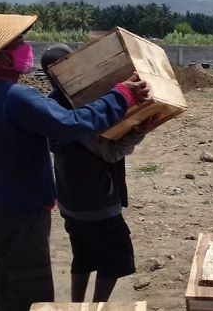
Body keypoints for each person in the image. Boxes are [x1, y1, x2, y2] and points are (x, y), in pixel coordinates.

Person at [0, 13, 149, 311]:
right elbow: (71, 123)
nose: (26, 50)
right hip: (21, 217)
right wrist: (122, 95)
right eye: (20, 44)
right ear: (0, 56)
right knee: (29, 295)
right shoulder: (17, 97)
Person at [40, 44, 158, 302]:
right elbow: (111, 153)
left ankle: (76, 306)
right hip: (95, 203)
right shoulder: (77, 111)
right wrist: (139, 131)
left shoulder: (52, 105)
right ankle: (96, 307)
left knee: (83, 256)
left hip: (70, 201)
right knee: (116, 259)